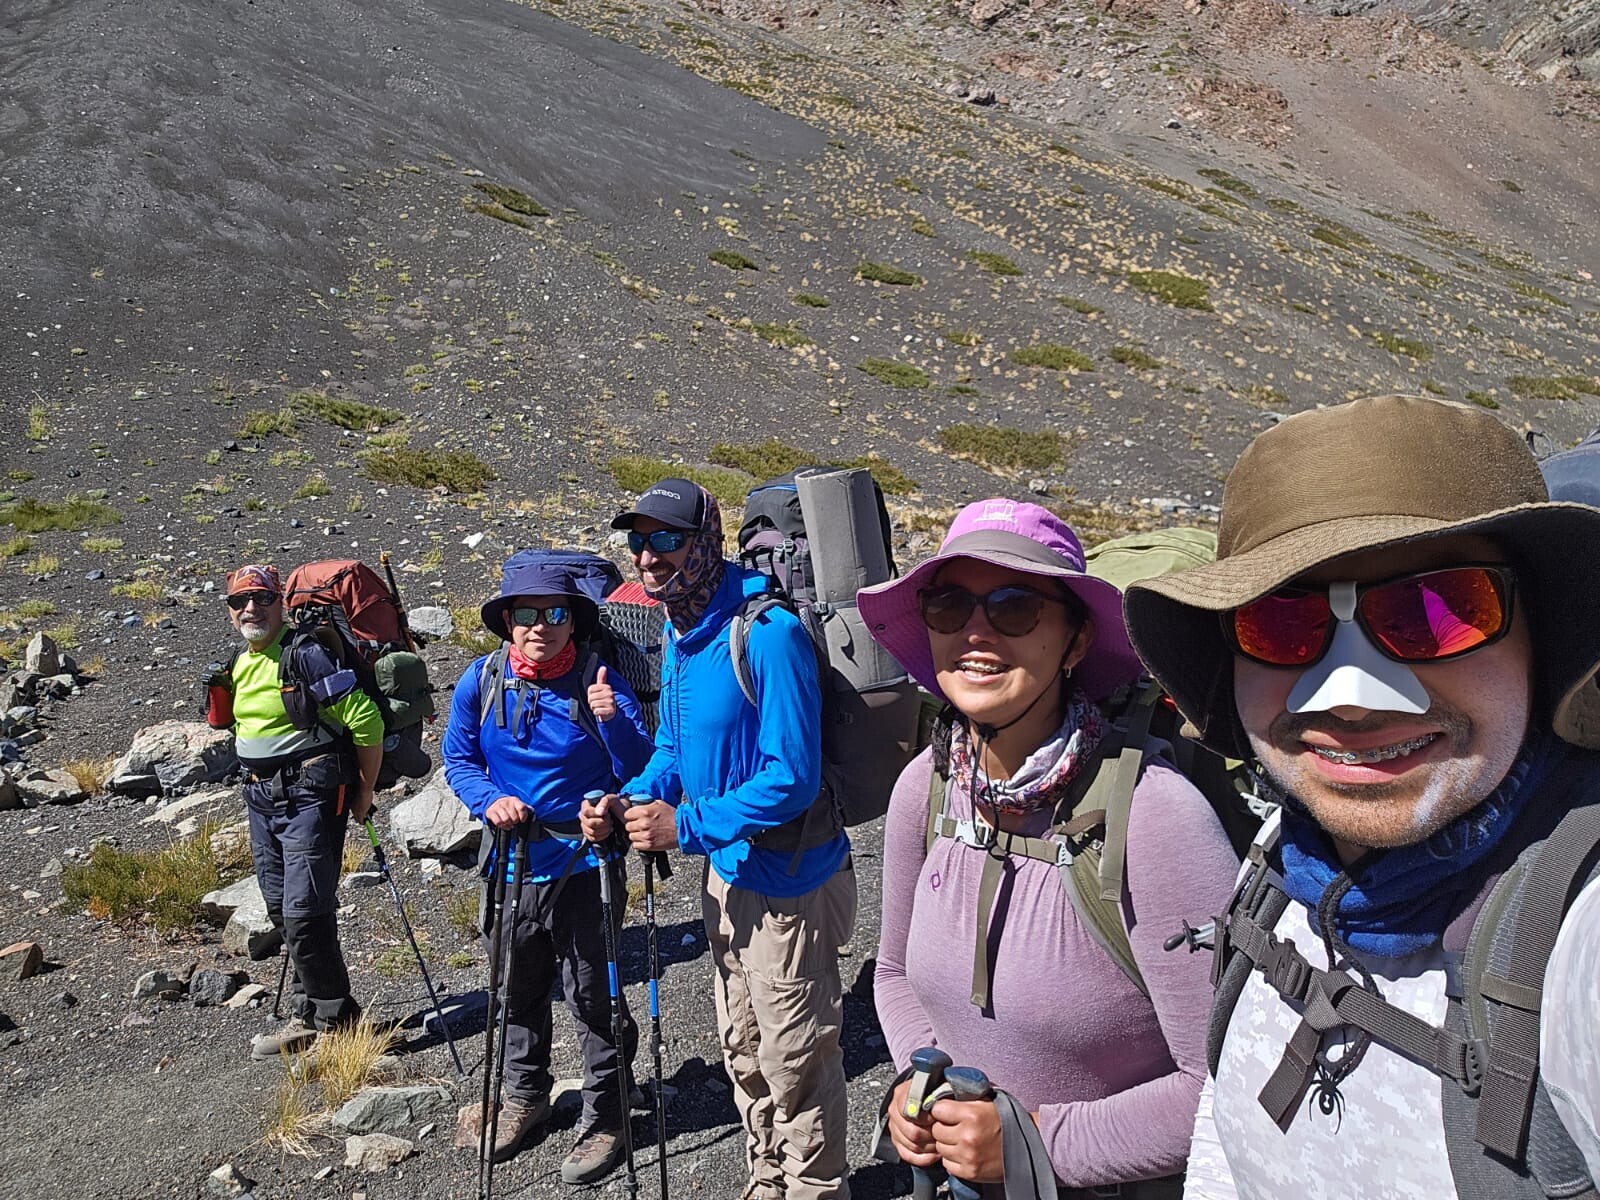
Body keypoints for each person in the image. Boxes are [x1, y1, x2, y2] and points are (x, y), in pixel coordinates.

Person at [1121, 394, 1600, 1198]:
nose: (1348, 697)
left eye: (1438, 612)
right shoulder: (1281, 858)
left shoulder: (1577, 939)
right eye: (1280, 625)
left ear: (1541, 636)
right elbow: (1225, 1122)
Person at [857, 499, 1241, 1197]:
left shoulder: (1155, 816)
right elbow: (894, 974)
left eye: (1015, 606)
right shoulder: (926, 788)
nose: (975, 632)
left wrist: (1031, 1142)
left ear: (1077, 639)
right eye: (948, 604)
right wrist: (921, 1081)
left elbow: (1224, 1085)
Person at [579, 478, 856, 1200]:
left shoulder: (767, 634)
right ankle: (767, 1179)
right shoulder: (681, 630)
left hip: (790, 881)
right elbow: (673, 751)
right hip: (726, 875)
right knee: (743, 1047)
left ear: (705, 543)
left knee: (796, 1061)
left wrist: (686, 826)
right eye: (638, 541)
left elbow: (791, 777)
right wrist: (628, 799)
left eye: (666, 539)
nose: (648, 556)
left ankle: (817, 1190)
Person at [442, 551, 654, 1182]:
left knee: (592, 994)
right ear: (508, 620)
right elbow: (459, 760)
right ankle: (524, 1096)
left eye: (556, 614)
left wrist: (612, 723)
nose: (541, 627)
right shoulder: (481, 680)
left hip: (586, 863)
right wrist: (489, 800)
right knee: (515, 986)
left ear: (573, 620)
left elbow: (643, 768)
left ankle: (608, 1115)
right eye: (527, 614)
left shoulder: (598, 681)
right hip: (510, 863)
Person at [221, 563, 382, 1060]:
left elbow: (365, 719)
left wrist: (364, 791)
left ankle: (338, 1022)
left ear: (281, 605)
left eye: (262, 598)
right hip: (260, 798)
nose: (251, 608)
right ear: (230, 612)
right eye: (240, 601)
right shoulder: (240, 659)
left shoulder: (304, 654)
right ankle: (308, 1012)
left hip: (310, 795)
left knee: (305, 912)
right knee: (281, 909)